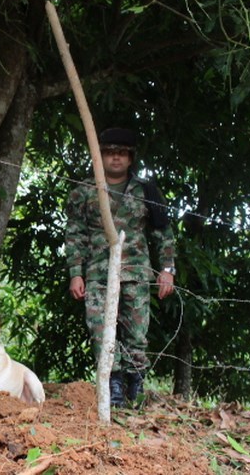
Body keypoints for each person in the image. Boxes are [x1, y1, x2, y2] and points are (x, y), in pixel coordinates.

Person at [64, 127, 176, 407]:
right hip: (98, 275)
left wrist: (167, 270)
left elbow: (163, 232)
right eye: (110, 153)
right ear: (100, 157)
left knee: (136, 334)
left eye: (122, 154)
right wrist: (75, 273)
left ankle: (134, 390)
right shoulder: (84, 192)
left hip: (136, 273)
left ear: (130, 158)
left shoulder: (146, 191)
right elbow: (75, 234)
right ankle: (112, 392)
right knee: (100, 332)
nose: (116, 158)